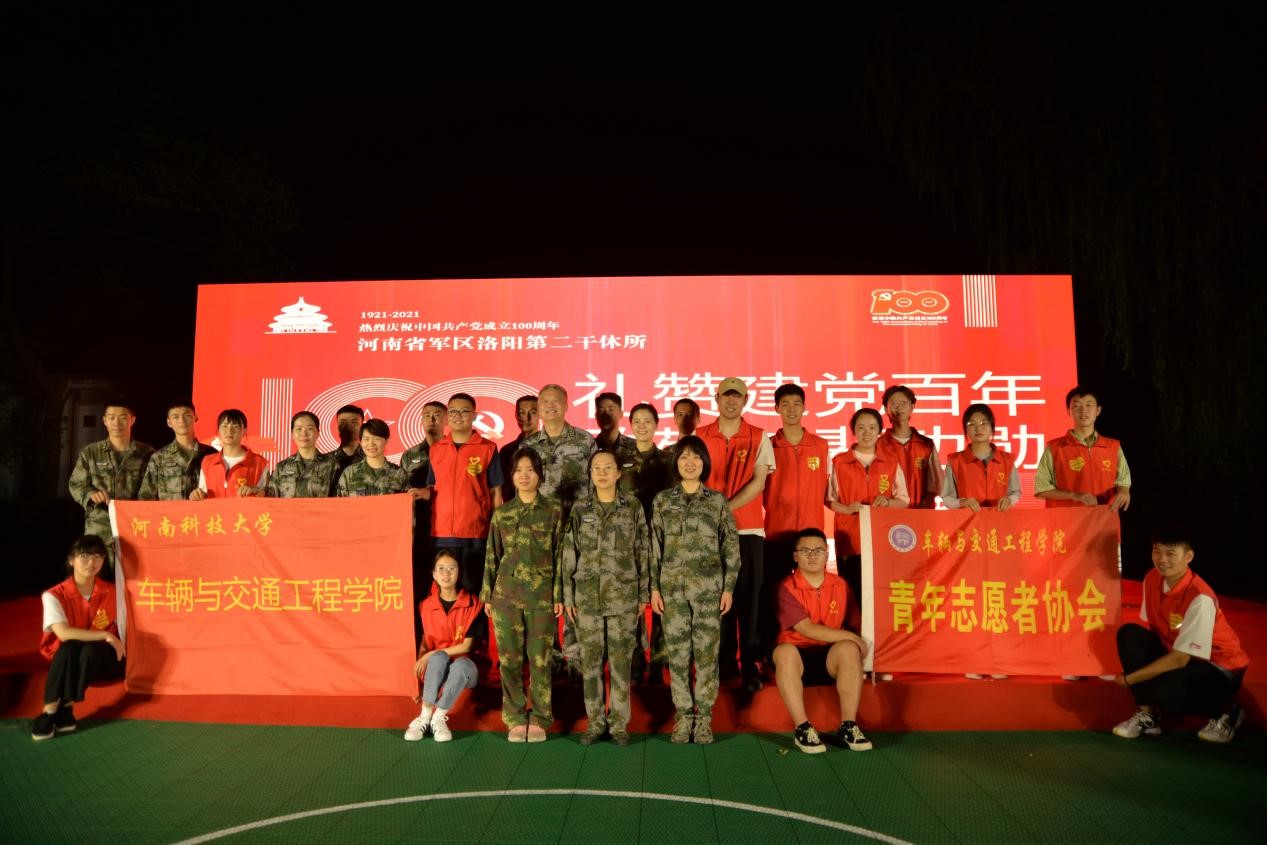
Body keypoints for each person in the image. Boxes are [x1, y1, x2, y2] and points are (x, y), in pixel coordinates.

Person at [1112, 528, 1250, 743]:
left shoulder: (1200, 597)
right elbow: (1154, 630)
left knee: (1166, 692)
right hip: (1179, 653)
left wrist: (1130, 679)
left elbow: (1180, 659)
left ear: (1188, 556)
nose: (1162, 559)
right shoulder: (1151, 578)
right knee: (1129, 634)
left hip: (1218, 666)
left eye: (1170, 553)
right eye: (1157, 551)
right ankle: (1148, 716)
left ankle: (1227, 711)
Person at [651, 436, 741, 744]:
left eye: (696, 457)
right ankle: (683, 717)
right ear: (675, 462)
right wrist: (654, 588)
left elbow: (730, 546)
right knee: (677, 656)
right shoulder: (663, 501)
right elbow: (654, 548)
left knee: (706, 656)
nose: (690, 463)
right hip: (672, 591)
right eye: (684, 457)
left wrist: (728, 587)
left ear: (705, 462)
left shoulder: (717, 501)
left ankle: (703, 719)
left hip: (709, 591)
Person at [562, 450, 651, 745]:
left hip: (623, 596)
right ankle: (595, 723)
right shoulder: (580, 509)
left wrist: (643, 593)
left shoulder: (632, 507)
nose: (601, 473)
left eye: (607, 468)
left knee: (620, 663)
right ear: (590, 474)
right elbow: (569, 552)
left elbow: (643, 550)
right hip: (587, 597)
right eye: (596, 468)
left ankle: (619, 725)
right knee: (590, 664)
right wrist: (567, 594)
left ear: (618, 473)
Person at [697, 377, 774, 692]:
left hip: (748, 529)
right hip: (709, 532)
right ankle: (724, 664)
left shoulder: (758, 436)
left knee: (749, 600)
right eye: (726, 396)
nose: (731, 402)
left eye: (737, 397)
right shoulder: (700, 436)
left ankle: (751, 664)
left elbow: (759, 482)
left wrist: (724, 508)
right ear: (716, 399)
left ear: (746, 400)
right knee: (717, 599)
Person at [483, 448, 564, 742]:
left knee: (541, 660)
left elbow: (561, 555)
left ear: (540, 474)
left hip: (542, 598)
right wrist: (487, 594)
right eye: (519, 470)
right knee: (510, 661)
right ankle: (515, 717)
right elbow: (492, 554)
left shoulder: (554, 510)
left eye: (530, 470)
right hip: (506, 597)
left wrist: (559, 594)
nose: (524, 475)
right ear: (512, 476)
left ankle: (540, 717)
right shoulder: (503, 513)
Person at [772, 528, 872, 753]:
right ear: (795, 556)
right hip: (797, 655)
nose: (812, 555)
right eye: (805, 551)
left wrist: (860, 646)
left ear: (827, 554)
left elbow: (856, 623)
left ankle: (848, 726)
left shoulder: (841, 585)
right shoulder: (786, 587)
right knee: (784, 652)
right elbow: (806, 629)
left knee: (849, 649)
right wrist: (851, 636)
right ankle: (803, 728)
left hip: (829, 657)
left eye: (818, 550)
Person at [941, 403, 1019, 680]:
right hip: (969, 538)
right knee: (972, 598)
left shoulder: (1007, 460)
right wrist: (962, 502)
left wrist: (1010, 500)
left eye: (983, 423)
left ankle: (1000, 659)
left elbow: (1016, 491)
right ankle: (974, 658)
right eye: (971, 424)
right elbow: (946, 497)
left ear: (992, 428)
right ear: (965, 431)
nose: (978, 428)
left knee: (999, 597)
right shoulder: (955, 461)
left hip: (1000, 538)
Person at [32, 536, 126, 741]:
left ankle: (54, 711)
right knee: (70, 646)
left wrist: (107, 638)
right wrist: (105, 634)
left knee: (89, 649)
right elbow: (63, 634)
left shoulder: (113, 591)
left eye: (97, 556)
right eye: (84, 556)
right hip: (67, 656)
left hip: (104, 657)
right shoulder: (53, 595)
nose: (91, 562)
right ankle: (59, 710)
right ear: (71, 560)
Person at [763, 384, 830, 650]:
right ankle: (772, 650)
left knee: (815, 594)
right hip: (777, 533)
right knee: (773, 593)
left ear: (804, 407)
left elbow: (828, 489)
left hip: (811, 535)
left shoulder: (820, 446)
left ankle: (816, 647)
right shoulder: (767, 446)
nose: (791, 409)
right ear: (776, 408)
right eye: (785, 404)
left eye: (796, 404)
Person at [827, 408, 909, 606]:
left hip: (881, 538)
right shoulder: (840, 462)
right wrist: (847, 509)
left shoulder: (890, 462)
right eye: (861, 427)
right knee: (852, 594)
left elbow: (904, 500)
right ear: (853, 430)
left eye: (872, 427)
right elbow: (829, 499)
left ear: (879, 431)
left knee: (880, 595)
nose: (867, 432)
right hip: (850, 539)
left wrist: (888, 502)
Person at [404, 550, 488, 743]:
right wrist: (420, 674)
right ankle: (425, 716)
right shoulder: (425, 606)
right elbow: (425, 642)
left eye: (452, 568)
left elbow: (467, 646)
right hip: (438, 666)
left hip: (467, 670)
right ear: (434, 574)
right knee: (438, 658)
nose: (446, 573)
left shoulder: (473, 604)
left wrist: (431, 653)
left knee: (460, 664)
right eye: (441, 568)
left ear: (459, 573)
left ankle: (439, 717)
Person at [425, 393, 503, 595]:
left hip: (475, 534)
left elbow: (496, 492)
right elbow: (432, 489)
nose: (457, 416)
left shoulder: (488, 448)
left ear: (474, 415)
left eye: (464, 411)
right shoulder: (436, 449)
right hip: (441, 534)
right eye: (453, 411)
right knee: (444, 592)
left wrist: (497, 529)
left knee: (472, 591)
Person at [67, 400, 154, 567]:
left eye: (123, 417)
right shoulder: (91, 452)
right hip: (99, 527)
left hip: (134, 526)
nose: (116, 423)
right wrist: (91, 494)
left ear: (132, 420)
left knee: (133, 575)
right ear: (104, 420)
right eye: (111, 417)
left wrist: (134, 512)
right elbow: (76, 484)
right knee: (97, 574)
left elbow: (152, 488)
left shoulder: (146, 453)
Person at [624, 402, 672, 683]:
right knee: (633, 602)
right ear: (630, 425)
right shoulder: (619, 460)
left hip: (660, 538)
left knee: (662, 598)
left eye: (647, 421)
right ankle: (635, 661)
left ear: (656, 425)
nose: (642, 426)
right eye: (637, 421)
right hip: (628, 540)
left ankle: (658, 662)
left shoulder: (667, 460)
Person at [1034, 386, 1131, 512]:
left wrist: (1124, 491)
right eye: (1076, 405)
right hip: (1067, 520)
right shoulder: (1054, 448)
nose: (1083, 410)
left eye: (1089, 405)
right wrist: (1074, 495)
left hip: (1104, 518)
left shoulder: (1113, 447)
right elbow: (1042, 489)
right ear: (1069, 411)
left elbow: (1123, 481)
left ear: (1098, 410)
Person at [401, 400, 448, 647]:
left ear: (446, 420)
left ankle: (449, 641)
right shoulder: (410, 456)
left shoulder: (453, 449)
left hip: (449, 530)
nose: (432, 419)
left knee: (449, 587)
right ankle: (417, 641)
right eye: (427, 415)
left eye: (437, 415)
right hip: (418, 531)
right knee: (418, 588)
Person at [524, 383, 596, 520]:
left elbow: (596, 481)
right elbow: (522, 487)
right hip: (540, 520)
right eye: (545, 401)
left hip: (578, 518)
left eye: (555, 401)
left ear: (566, 406)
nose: (550, 405)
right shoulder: (528, 445)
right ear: (538, 407)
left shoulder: (585, 440)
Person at [877, 385, 943, 510]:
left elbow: (936, 483)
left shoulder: (926, 444)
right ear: (886, 409)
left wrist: (924, 508)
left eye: (904, 403)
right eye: (894, 403)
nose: (899, 407)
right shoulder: (878, 445)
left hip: (922, 513)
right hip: (889, 513)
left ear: (912, 407)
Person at [138, 402, 215, 501]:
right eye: (175, 417)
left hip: (203, 511)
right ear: (169, 422)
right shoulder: (159, 458)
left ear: (195, 418)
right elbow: (146, 498)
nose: (182, 420)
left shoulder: (212, 455)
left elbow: (221, 493)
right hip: (169, 511)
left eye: (187, 415)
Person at [191, 409, 269, 499]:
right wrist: (197, 495)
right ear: (218, 431)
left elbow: (268, 498)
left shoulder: (259, 463)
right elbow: (203, 493)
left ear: (244, 431)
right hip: (214, 509)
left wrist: (256, 491)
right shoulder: (207, 462)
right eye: (224, 426)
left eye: (235, 426)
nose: (229, 431)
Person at [266, 411, 339, 498]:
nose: (304, 434)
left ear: (318, 433)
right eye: (299, 429)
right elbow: (270, 500)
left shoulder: (332, 465)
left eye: (310, 428)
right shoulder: (282, 467)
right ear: (292, 434)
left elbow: (338, 502)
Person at [335, 418, 409, 496]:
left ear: (386, 441)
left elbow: (407, 502)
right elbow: (340, 502)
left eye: (376, 439)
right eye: (366, 439)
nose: (371, 443)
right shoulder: (349, 473)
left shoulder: (399, 474)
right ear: (361, 442)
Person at [498, 395, 539, 502]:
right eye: (522, 413)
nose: (527, 418)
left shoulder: (550, 447)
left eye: (533, 412)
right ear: (516, 415)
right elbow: (501, 489)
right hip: (513, 510)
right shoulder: (506, 451)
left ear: (540, 414)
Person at [594, 391, 638, 460]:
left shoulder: (635, 447)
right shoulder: (590, 448)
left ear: (621, 413)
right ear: (596, 415)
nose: (606, 414)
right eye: (601, 410)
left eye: (611, 410)